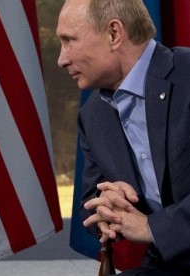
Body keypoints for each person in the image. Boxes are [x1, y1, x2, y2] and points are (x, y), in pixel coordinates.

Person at [57, 0, 190, 274]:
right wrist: (107, 206)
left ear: (114, 34)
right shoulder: (93, 115)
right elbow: (89, 203)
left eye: (70, 41)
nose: (62, 59)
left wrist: (153, 228)